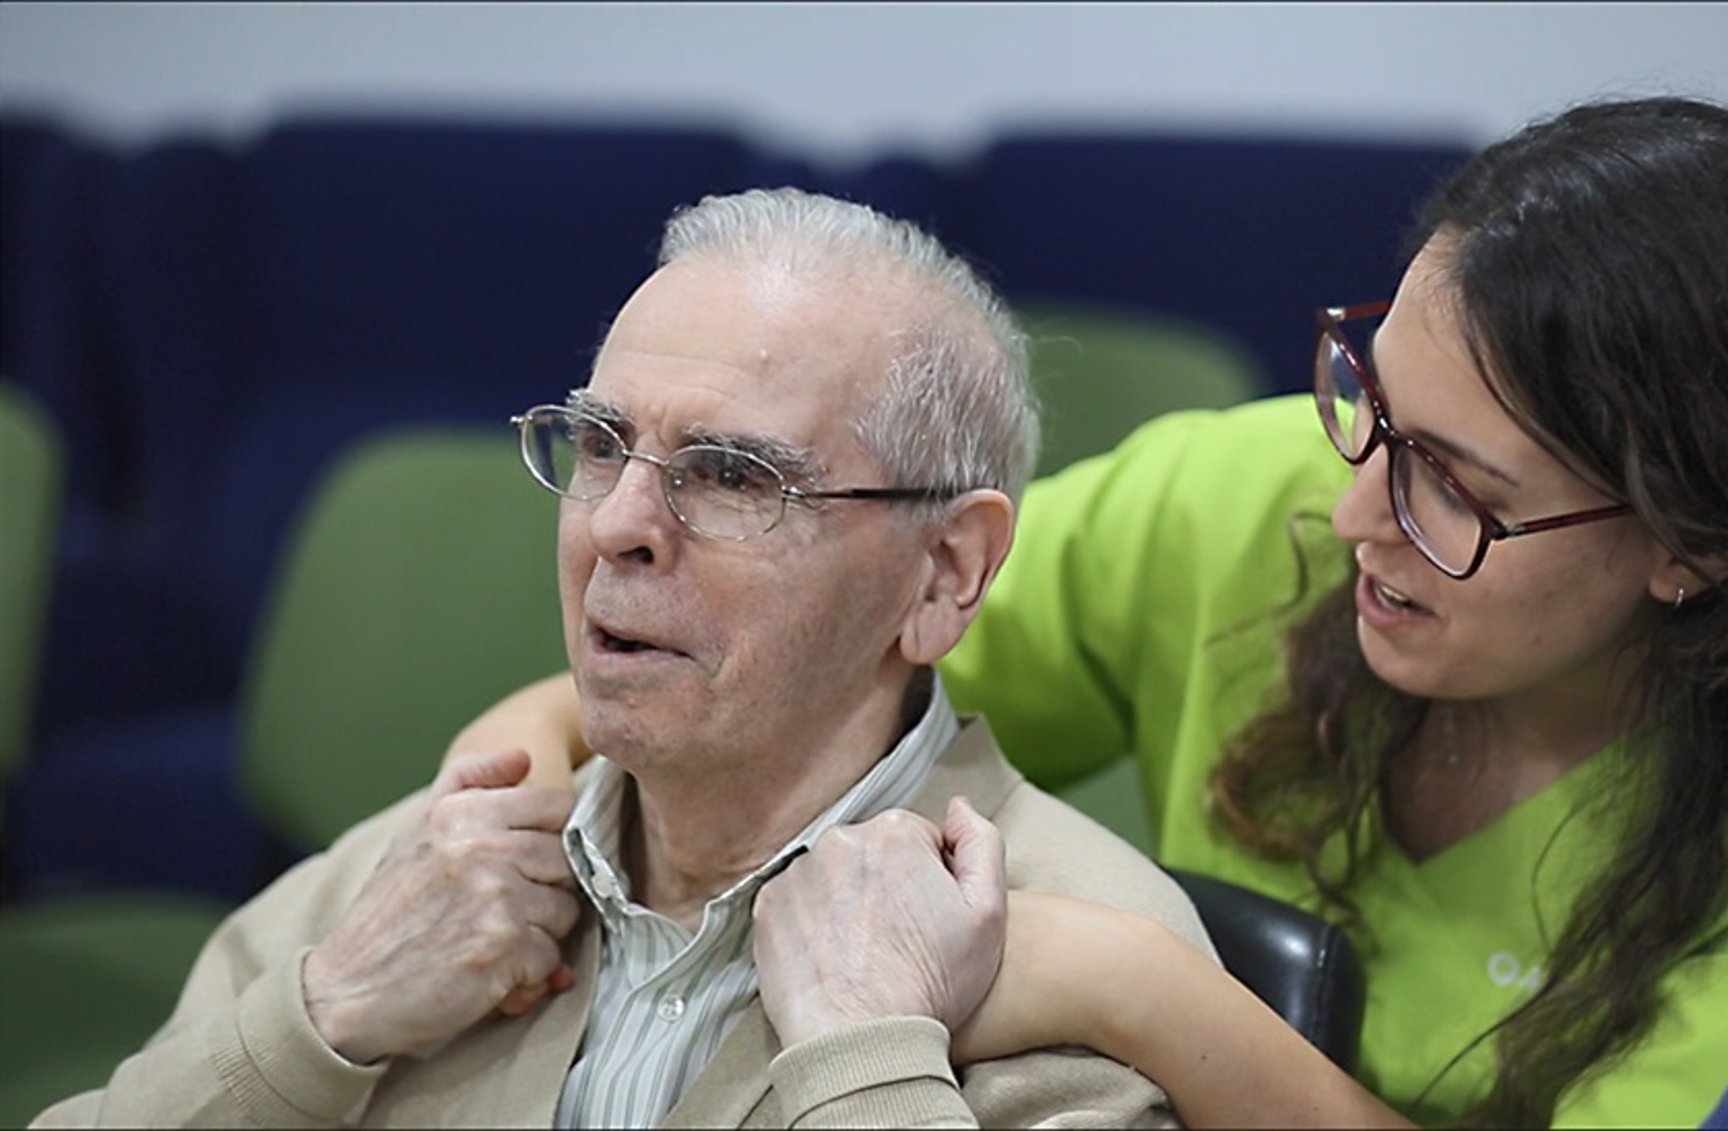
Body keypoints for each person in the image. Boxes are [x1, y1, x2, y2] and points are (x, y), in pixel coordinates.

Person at [452, 95, 1728, 1127]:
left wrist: (1138, 986)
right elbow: (792, 648)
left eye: (1458, 488)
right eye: (1374, 404)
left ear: (1701, 546)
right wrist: (512, 764)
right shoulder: (1250, 492)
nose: (1352, 513)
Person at [31, 187, 1215, 1128]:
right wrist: (326, 1013)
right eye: (600, 446)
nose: (614, 527)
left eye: (735, 476)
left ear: (945, 572)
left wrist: (868, 1060)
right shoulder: (435, 879)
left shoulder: (1069, 965)